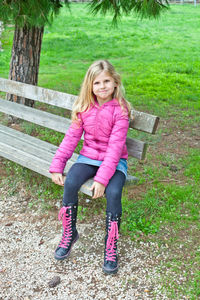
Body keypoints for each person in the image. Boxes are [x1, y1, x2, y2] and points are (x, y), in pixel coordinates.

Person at [49, 60, 131, 274]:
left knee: (113, 192)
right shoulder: (84, 107)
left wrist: (102, 180)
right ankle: (69, 232)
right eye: (97, 83)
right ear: (90, 85)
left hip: (115, 162)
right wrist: (57, 165)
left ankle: (110, 245)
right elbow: (70, 139)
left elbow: (114, 149)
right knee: (71, 182)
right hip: (88, 158)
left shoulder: (121, 110)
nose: (102, 86)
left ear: (115, 83)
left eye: (107, 81)